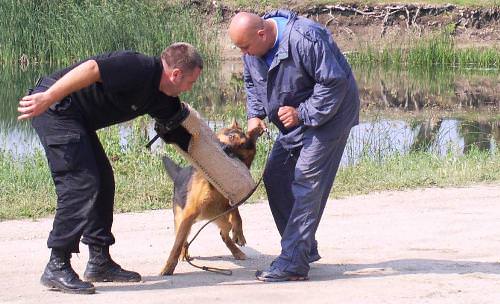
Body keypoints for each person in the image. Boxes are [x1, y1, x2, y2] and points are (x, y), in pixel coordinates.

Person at [17, 42, 203, 294]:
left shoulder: (162, 97)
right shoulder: (138, 67)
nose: (190, 88)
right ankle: (57, 264)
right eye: (190, 82)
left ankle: (99, 261)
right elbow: (92, 68)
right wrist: (49, 96)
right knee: (81, 183)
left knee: (103, 180)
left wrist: (226, 165)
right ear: (176, 74)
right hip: (55, 107)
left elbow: (184, 137)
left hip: (77, 119)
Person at [229, 11, 360, 282]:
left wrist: (302, 113)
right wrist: (255, 114)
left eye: (245, 47)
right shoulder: (252, 49)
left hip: (331, 115)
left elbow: (334, 83)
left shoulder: (306, 38)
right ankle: (302, 248)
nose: (243, 53)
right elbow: (252, 82)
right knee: (276, 175)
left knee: (305, 182)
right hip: (297, 116)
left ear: (262, 34)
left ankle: (292, 263)